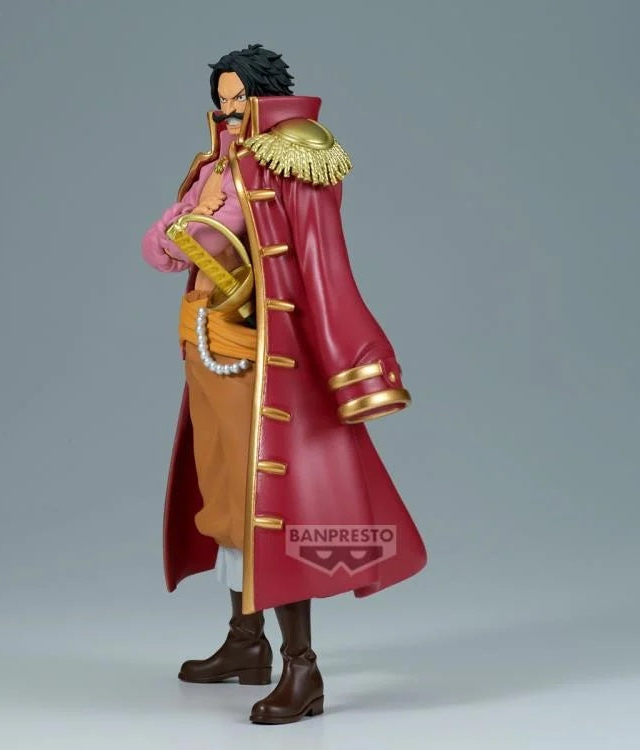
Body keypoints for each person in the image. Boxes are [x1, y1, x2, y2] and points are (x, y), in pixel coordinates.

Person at [140, 43, 427, 725]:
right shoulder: (214, 163)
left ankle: (303, 667)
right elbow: (160, 248)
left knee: (271, 505)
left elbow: (320, 263)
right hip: (207, 345)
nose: (228, 110)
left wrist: (352, 356)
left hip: (264, 358)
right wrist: (184, 229)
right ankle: (247, 642)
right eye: (221, 99)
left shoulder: (294, 154)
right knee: (223, 497)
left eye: (238, 98)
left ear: (261, 95)